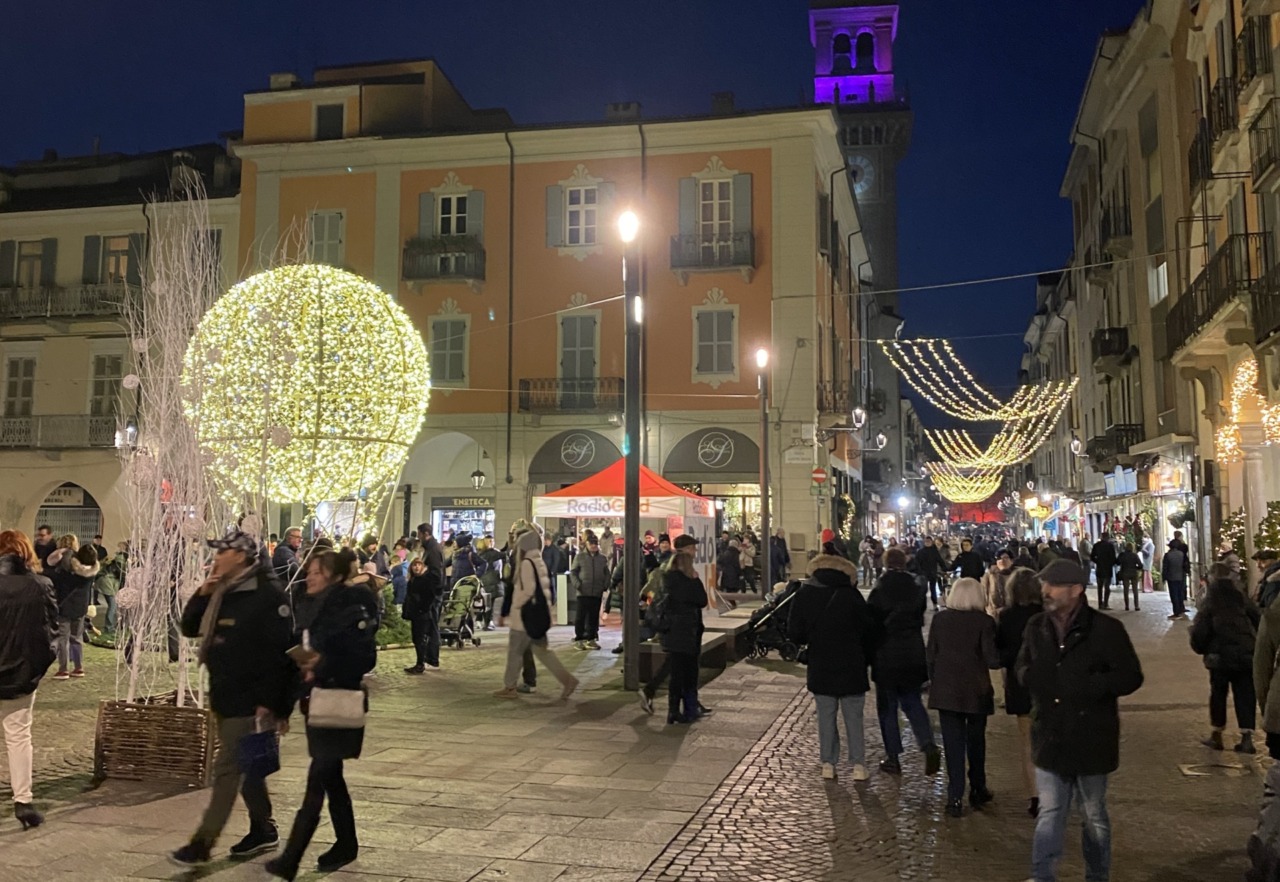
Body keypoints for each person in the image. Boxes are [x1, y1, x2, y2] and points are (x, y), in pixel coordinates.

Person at [170, 530, 295, 868]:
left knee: (227, 769)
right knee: (249, 766)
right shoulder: (225, 589)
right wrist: (204, 592)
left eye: (222, 552)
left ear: (240, 556)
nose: (216, 558)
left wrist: (273, 704)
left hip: (250, 700)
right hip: (225, 693)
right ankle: (263, 828)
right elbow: (190, 628)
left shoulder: (267, 594)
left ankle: (202, 844)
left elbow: (279, 656)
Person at [1017, 559, 1144, 882]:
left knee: (1093, 815)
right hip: (1050, 734)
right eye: (1044, 584)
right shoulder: (1036, 626)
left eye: (1053, 585)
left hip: (1091, 736)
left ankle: (1097, 876)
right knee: (1050, 812)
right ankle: (1042, 876)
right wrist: (1031, 678)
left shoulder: (1106, 629)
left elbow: (1131, 676)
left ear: (1075, 590)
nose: (1045, 591)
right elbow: (1022, 666)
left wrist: (1093, 685)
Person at [266, 549, 379, 879]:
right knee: (331, 778)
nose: (310, 576)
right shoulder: (310, 607)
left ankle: (291, 858)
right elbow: (293, 659)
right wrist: (283, 706)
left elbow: (365, 658)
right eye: (310, 570)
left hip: (339, 700)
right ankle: (346, 843)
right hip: (316, 701)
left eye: (317, 571)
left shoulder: (350, 606)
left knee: (318, 779)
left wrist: (323, 663)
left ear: (335, 576)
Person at [790, 550, 875, 781]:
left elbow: (795, 632)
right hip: (852, 664)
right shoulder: (852, 595)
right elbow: (868, 630)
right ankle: (858, 765)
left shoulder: (805, 594)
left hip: (821, 663)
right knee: (854, 717)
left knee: (825, 716)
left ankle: (828, 763)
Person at [926, 577, 999, 818]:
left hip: (946, 690)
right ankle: (977, 787)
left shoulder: (940, 620)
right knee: (976, 742)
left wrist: (935, 680)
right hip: (976, 690)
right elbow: (992, 659)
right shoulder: (984, 622)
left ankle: (954, 796)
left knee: (953, 745)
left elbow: (931, 655)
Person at [867, 547, 942, 777]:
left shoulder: (880, 589)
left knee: (888, 708)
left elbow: (871, 624)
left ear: (886, 563)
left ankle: (893, 757)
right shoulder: (916, 587)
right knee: (912, 702)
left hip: (886, 655)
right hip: (912, 654)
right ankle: (928, 744)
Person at [0, 530, 57, 830]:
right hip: (21, 675)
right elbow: (51, 633)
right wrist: (35, 668)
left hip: (20, 672)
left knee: (19, 735)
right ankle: (23, 801)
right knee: (19, 737)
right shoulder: (41, 586)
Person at [495, 527, 578, 701]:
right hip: (537, 615)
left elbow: (528, 590)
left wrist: (514, 607)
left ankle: (510, 687)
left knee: (515, 652)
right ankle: (568, 680)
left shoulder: (526, 563)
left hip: (524, 617)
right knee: (543, 652)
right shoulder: (539, 561)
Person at [1191, 575, 1260, 754]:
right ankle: (1247, 738)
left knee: (1218, 694)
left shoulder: (1210, 605)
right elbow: (1259, 623)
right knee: (1246, 695)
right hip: (1245, 657)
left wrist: (1202, 649)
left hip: (1219, 659)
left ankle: (1217, 735)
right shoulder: (1244, 603)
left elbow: (1199, 633)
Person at [995, 567, 1043, 818]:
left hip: (1019, 684)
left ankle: (1035, 796)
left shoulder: (1006, 616)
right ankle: (1054, 791)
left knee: (1027, 743)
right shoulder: (1047, 615)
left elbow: (1000, 653)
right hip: (1047, 684)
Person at [661, 535, 709, 724]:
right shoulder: (689, 581)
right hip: (688, 632)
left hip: (672, 631)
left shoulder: (668, 578)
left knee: (676, 674)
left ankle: (673, 710)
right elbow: (702, 601)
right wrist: (696, 581)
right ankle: (690, 708)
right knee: (690, 672)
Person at [46, 536, 98, 680]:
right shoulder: (91, 573)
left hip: (64, 607)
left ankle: (63, 670)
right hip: (80, 607)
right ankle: (78, 667)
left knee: (63, 638)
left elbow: (52, 577)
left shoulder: (66, 572)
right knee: (77, 638)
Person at [402, 558, 443, 674]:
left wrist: (422, 609)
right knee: (416, 639)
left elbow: (429, 597)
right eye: (414, 565)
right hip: (415, 614)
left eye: (419, 565)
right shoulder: (412, 581)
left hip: (422, 614)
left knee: (421, 639)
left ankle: (421, 663)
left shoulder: (426, 580)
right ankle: (420, 662)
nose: (416, 567)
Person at [570, 535, 609, 650]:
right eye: (591, 543)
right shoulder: (580, 557)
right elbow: (573, 572)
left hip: (596, 592)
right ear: (586, 544)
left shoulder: (602, 558)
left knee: (593, 617)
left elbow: (606, 573)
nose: (593, 546)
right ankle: (579, 639)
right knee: (580, 617)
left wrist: (605, 585)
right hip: (583, 592)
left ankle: (591, 639)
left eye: (595, 543)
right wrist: (578, 585)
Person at [981, 549, 1015, 619]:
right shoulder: (990, 574)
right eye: (999, 558)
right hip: (994, 613)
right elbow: (984, 592)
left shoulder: (1016, 575)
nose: (1002, 560)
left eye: (1006, 557)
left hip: (1013, 613)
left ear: (1011, 561)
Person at [1162, 539, 1190, 620]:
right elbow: (1185, 565)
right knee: (1180, 593)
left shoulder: (1168, 555)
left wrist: (1164, 577)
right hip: (1180, 577)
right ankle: (1180, 609)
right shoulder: (1181, 554)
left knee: (1174, 595)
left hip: (1171, 577)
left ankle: (1176, 612)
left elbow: (1165, 567)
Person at [916, 536, 945, 610]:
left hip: (931, 573)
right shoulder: (921, 552)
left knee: (932, 589)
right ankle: (923, 605)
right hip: (924, 573)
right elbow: (917, 563)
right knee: (924, 590)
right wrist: (919, 571)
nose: (927, 543)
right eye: (926, 541)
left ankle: (934, 604)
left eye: (929, 541)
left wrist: (945, 569)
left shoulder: (933, 551)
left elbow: (940, 561)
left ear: (931, 542)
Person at [1090, 533, 1118, 610]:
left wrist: (1097, 561)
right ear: (1107, 537)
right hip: (1108, 569)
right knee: (1107, 587)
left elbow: (1092, 556)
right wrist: (1111, 563)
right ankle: (1106, 603)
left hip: (1099, 568)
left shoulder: (1096, 545)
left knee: (1099, 587)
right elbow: (1113, 558)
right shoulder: (1110, 546)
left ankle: (1100, 604)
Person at [1116, 541, 1142, 612]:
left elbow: (1117, 562)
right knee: (1135, 590)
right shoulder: (1135, 555)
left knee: (1126, 590)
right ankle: (1136, 606)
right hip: (1134, 573)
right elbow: (1140, 565)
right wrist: (1135, 568)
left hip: (1125, 573)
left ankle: (1127, 606)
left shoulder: (1123, 555)